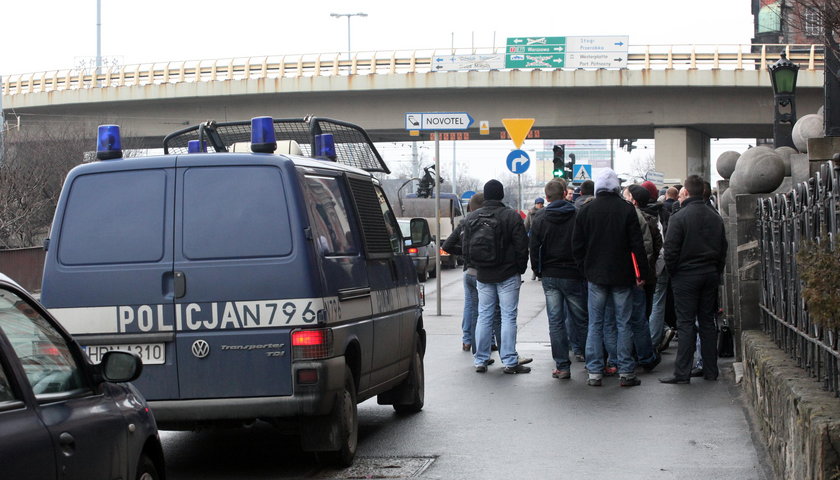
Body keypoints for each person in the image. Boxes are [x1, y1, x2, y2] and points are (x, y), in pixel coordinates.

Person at [573, 169, 649, 387]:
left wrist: (584, 270)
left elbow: (577, 246)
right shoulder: (626, 210)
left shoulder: (586, 210)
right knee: (623, 323)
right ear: (616, 187)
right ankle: (626, 371)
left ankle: (595, 371)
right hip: (622, 275)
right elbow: (637, 246)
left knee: (595, 323)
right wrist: (641, 274)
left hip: (595, 276)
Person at [659, 175, 728, 384]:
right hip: (709, 273)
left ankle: (682, 372)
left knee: (686, 323)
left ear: (686, 192)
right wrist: (716, 271)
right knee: (707, 321)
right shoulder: (714, 216)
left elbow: (670, 250)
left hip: (685, 275)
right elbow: (722, 248)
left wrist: (674, 272)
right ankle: (710, 369)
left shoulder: (679, 217)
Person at [464, 179, 532, 374]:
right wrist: (519, 269)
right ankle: (510, 361)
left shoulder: (473, 217)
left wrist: (475, 266)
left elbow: (466, 248)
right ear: (501, 195)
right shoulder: (511, 216)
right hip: (508, 273)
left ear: (485, 196)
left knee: (484, 315)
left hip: (483, 274)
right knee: (508, 316)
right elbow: (521, 246)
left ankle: (480, 360)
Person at [529, 178, 588, 380]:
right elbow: (584, 244)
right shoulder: (577, 214)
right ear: (565, 194)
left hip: (551, 275)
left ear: (546, 197)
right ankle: (592, 362)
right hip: (574, 273)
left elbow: (534, 248)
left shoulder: (540, 218)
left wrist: (539, 271)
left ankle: (562, 366)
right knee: (582, 319)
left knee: (556, 322)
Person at [443, 193, 502, 355]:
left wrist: (465, 253)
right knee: (485, 310)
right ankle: (487, 343)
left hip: (467, 272)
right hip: (482, 272)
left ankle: (467, 340)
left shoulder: (464, 223)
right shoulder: (486, 222)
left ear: (470, 207)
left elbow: (447, 245)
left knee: (470, 306)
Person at [623, 185, 662, 372]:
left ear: (633, 200)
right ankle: (643, 354)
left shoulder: (635, 216)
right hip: (646, 274)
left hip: (637, 274)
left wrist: (640, 273)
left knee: (634, 317)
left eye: (626, 195)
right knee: (642, 315)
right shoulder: (653, 217)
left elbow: (645, 247)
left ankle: (638, 355)